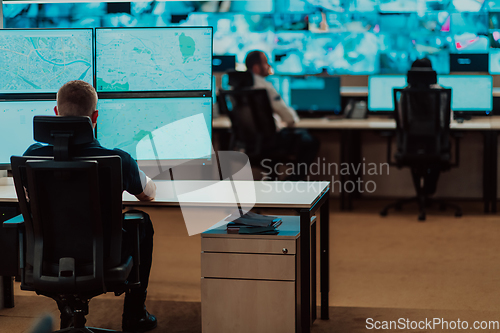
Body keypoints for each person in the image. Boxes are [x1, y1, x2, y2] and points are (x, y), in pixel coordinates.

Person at [23, 80, 157, 332]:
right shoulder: (117, 159)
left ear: (56, 113)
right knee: (142, 221)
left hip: (47, 256)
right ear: (95, 116)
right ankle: (134, 314)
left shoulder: (30, 157)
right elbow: (147, 195)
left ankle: (67, 315)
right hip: (105, 256)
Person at [244, 50, 320, 180]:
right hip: (269, 142)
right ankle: (293, 181)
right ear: (256, 68)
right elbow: (289, 119)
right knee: (310, 141)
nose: (268, 66)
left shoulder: (238, 86)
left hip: (247, 143)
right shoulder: (264, 86)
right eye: (266, 63)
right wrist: (290, 120)